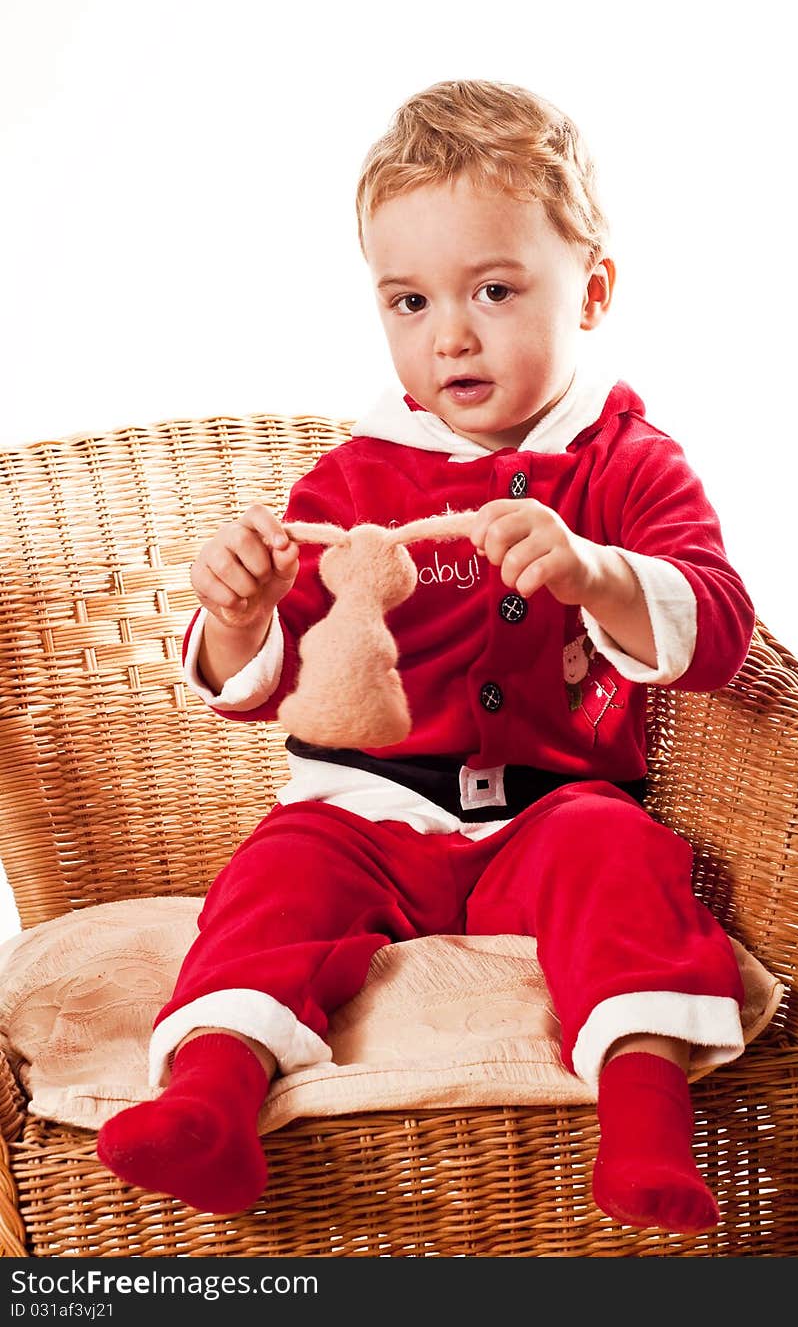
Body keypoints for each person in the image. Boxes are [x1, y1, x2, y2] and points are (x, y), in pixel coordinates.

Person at [97, 78, 755, 1234]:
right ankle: (211, 1097)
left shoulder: (625, 464)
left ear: (590, 291)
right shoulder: (354, 479)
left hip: (550, 811)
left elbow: (718, 627)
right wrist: (243, 618)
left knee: (625, 861)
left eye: (494, 291)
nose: (448, 334)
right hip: (363, 810)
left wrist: (595, 571)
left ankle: (645, 1117)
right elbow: (271, 677)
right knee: (274, 881)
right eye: (408, 300)